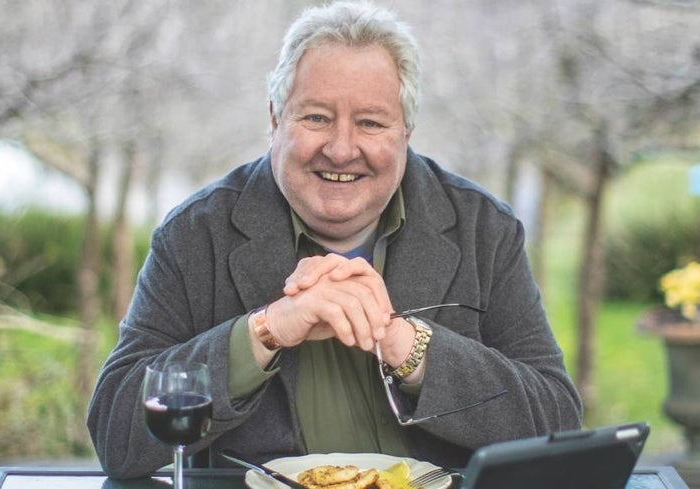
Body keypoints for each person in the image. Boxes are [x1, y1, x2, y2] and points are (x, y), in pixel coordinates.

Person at [88, 1, 582, 479]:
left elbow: (557, 423)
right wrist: (266, 330)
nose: (341, 149)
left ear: (405, 130)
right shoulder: (195, 235)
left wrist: (404, 344)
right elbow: (117, 436)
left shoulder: (483, 229)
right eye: (317, 117)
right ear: (275, 119)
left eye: (370, 122)